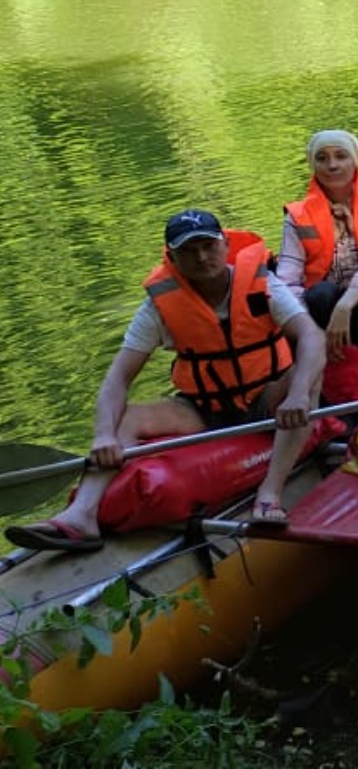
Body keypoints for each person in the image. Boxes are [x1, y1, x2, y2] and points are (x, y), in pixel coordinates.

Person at [4, 211, 326, 551]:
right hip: (205, 408)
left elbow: (312, 337)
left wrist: (300, 394)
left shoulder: (264, 285)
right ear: (172, 257)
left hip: (266, 397)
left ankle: (270, 494)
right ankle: (82, 515)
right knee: (125, 417)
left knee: (308, 377)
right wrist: (103, 435)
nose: (202, 257)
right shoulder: (160, 304)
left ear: (225, 244)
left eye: (208, 245)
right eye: (189, 251)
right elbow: (117, 378)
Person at [278, 130, 358, 384]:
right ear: (313, 165)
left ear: (355, 161)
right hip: (324, 318)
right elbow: (287, 280)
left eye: (341, 156)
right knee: (319, 293)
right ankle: (332, 369)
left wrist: (344, 306)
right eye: (322, 158)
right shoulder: (296, 216)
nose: (332, 165)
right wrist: (309, 331)